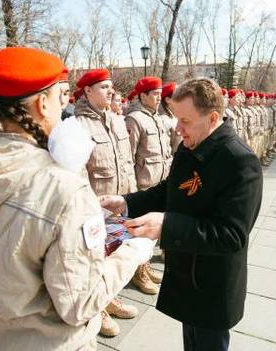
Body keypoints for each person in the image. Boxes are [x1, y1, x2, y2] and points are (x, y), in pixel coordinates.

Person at [0, 47, 153, 350]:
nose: (64, 102)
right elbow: (80, 303)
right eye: (60, 95)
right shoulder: (64, 188)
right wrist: (134, 251)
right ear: (42, 103)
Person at [100, 78, 263, 351]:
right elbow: (170, 191)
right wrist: (125, 202)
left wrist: (167, 225)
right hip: (188, 275)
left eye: (185, 121)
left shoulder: (239, 162)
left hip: (212, 284)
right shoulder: (192, 144)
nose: (178, 128)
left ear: (212, 118)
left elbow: (231, 235)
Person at [73, 68, 140, 337]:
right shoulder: (77, 126)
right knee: (94, 259)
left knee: (116, 255)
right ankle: (95, 306)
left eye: (111, 87)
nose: (110, 91)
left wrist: (130, 197)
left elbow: (128, 161)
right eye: (103, 87)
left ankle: (109, 297)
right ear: (87, 91)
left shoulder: (115, 119)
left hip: (120, 201)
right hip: (95, 209)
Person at [125, 76, 172, 295]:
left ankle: (146, 265)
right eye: (154, 93)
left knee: (151, 234)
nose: (159, 97)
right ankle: (138, 272)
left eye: (159, 93)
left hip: (159, 181)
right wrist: (133, 187)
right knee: (141, 232)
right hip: (144, 184)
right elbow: (129, 156)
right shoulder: (134, 119)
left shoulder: (159, 118)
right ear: (143, 96)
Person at [159, 82, 182, 153]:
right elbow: (165, 152)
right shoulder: (164, 120)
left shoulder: (174, 117)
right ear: (168, 100)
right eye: (178, 96)